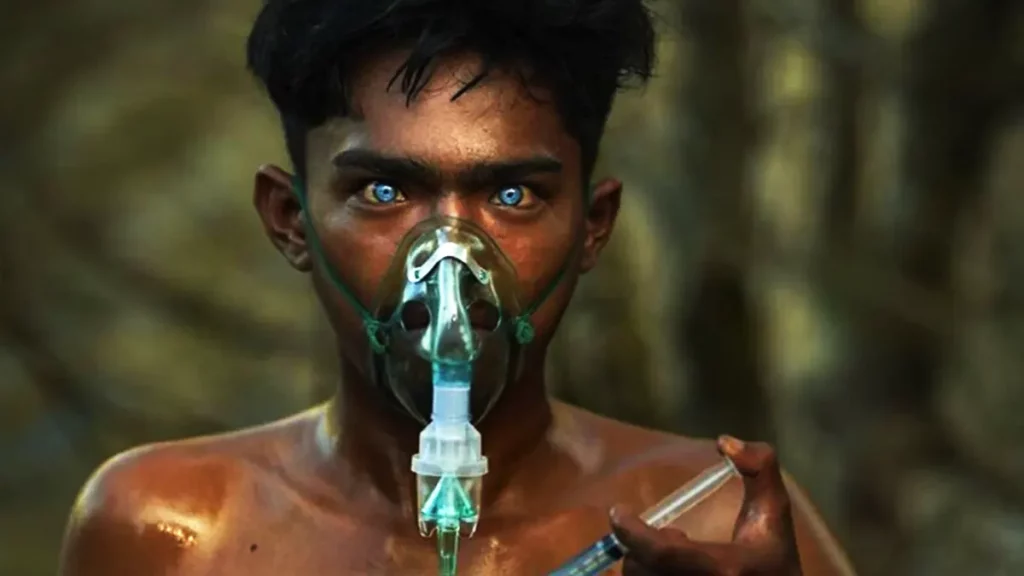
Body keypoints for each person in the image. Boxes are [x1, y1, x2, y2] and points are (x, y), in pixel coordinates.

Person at [58, 0, 856, 574]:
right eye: (382, 191)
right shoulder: (172, 533)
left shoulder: (714, 528)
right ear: (290, 219)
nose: (450, 262)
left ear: (592, 226)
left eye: (512, 195)